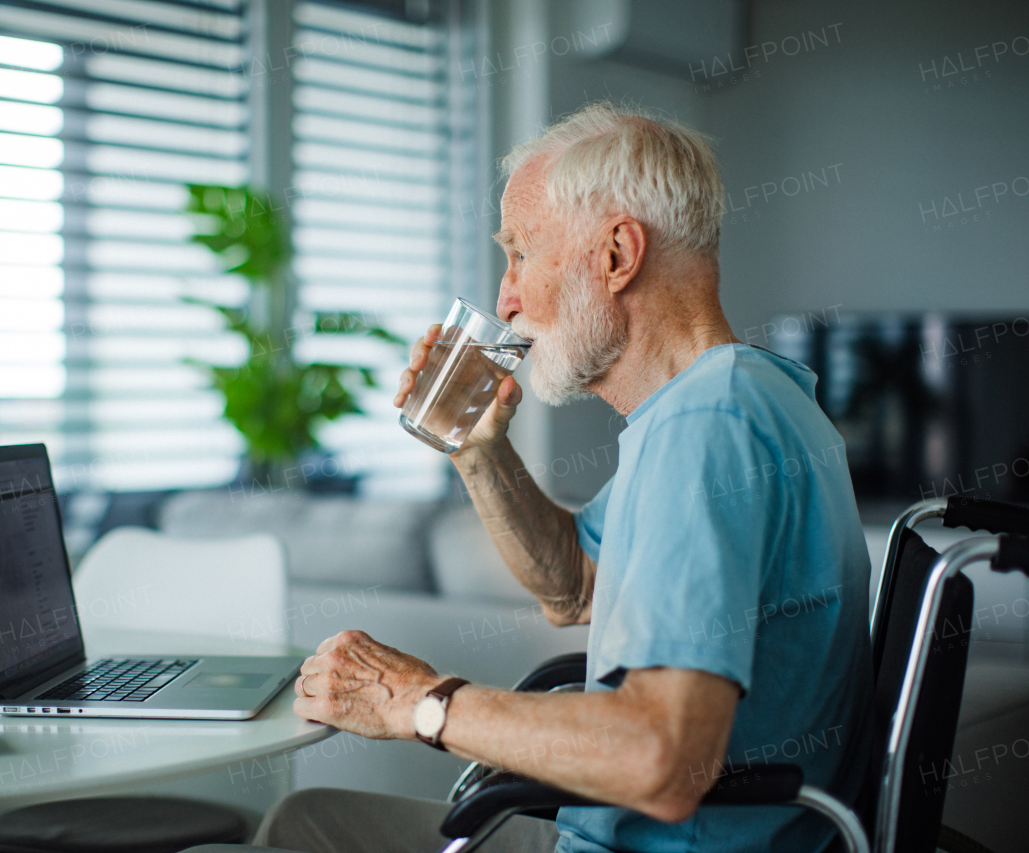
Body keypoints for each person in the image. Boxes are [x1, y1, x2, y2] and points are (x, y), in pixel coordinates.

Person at [192, 102, 873, 853]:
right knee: (301, 822)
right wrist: (479, 451)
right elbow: (573, 585)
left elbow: (662, 759)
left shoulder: (708, 426)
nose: (505, 297)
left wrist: (419, 703)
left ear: (617, 255)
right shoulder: (744, 395)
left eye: (520, 253)